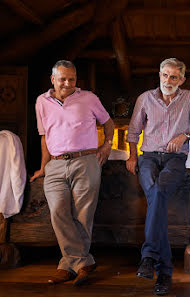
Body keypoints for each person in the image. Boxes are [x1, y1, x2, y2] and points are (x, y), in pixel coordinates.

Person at [126, 58, 190, 296]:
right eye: (165, 75)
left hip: (175, 159)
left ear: (181, 80)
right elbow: (133, 131)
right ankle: (164, 272)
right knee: (157, 196)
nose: (168, 80)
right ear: (159, 74)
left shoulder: (189, 98)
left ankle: (148, 257)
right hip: (148, 158)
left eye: (174, 77)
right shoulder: (145, 98)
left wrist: (184, 135)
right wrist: (132, 157)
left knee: (158, 192)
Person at [30, 60, 114, 285]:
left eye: (72, 79)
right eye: (63, 79)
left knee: (83, 215)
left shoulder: (89, 98)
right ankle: (83, 262)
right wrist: (43, 166)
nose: (67, 83)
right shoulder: (41, 101)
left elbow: (108, 123)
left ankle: (67, 264)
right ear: (52, 79)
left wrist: (106, 145)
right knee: (58, 211)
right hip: (55, 164)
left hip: (86, 160)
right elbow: (44, 136)